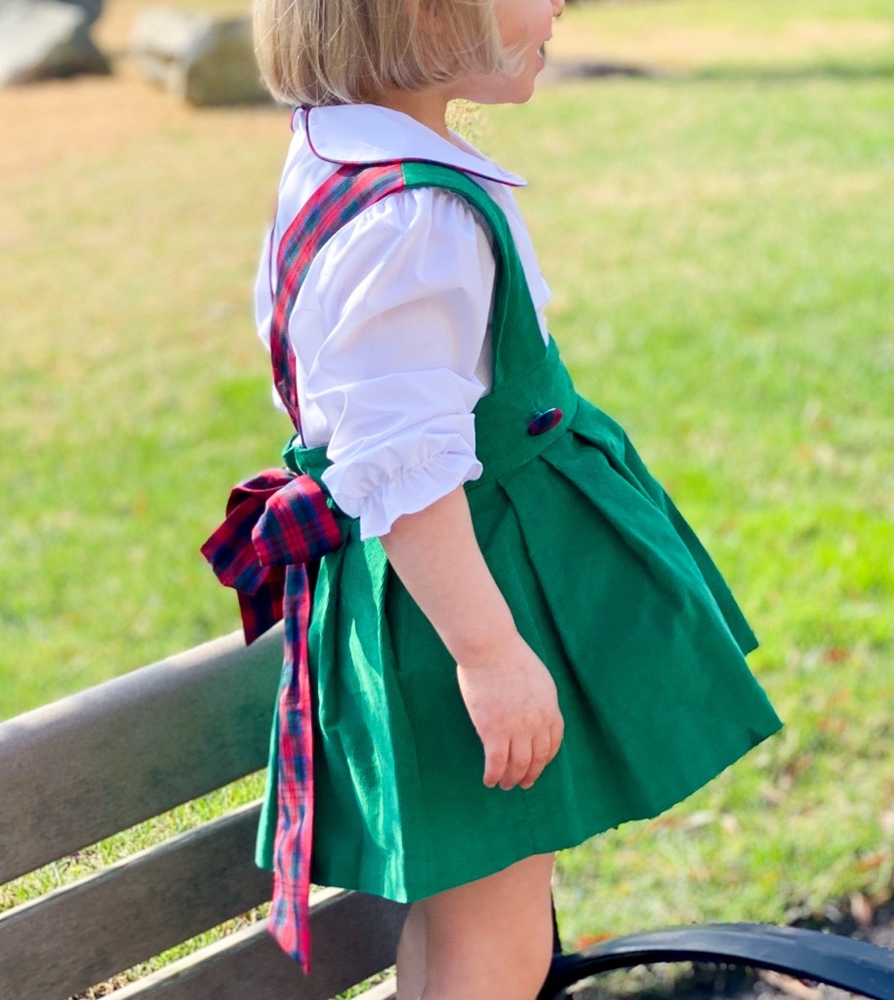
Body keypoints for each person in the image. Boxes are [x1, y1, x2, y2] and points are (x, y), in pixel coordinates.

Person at [203, 0, 783, 997]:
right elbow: (404, 462)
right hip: (463, 598)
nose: (559, 2)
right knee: (496, 929)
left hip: (464, 582)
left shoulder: (364, 160)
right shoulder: (408, 218)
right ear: (422, 12)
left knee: (474, 902)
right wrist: (489, 652)